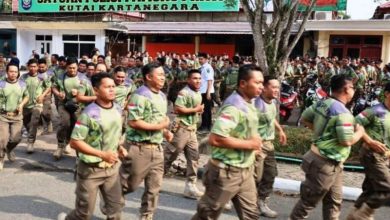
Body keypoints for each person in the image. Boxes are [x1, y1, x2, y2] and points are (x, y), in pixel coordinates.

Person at [192, 64, 264, 220]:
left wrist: (254, 146)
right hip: (226, 172)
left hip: (245, 170)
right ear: (243, 84)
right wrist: (250, 145)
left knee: (251, 215)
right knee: (207, 215)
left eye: (262, 83)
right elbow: (216, 138)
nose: (261, 87)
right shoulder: (234, 106)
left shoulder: (249, 103)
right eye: (257, 83)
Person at [289, 74, 366, 220]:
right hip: (324, 164)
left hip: (331, 163)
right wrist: (360, 132)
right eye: (353, 87)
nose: (354, 91)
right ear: (346, 89)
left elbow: (305, 118)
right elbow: (347, 141)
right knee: (308, 202)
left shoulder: (324, 103)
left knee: (334, 202)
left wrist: (321, 132)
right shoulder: (343, 113)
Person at [57, 73, 126, 220]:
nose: (112, 90)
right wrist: (102, 154)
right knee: (84, 214)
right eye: (107, 87)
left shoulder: (118, 109)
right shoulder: (89, 114)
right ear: (96, 90)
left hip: (112, 169)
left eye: (113, 86)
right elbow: (75, 142)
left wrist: (119, 147)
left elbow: (114, 133)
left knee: (115, 210)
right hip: (90, 170)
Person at [120, 62, 173, 220]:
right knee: (130, 185)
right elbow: (134, 122)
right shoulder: (140, 95)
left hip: (156, 148)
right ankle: (110, 199)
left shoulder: (162, 96)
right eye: (160, 75)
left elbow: (154, 120)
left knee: (154, 187)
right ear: (149, 77)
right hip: (138, 148)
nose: (164, 77)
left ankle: (146, 215)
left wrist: (164, 132)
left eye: (164, 75)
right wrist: (161, 126)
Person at [346, 83, 390, 220]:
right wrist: (369, 141)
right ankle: (363, 215)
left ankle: (354, 215)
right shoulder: (376, 110)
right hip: (371, 155)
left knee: (371, 189)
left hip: (384, 157)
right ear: (387, 94)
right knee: (387, 188)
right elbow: (355, 123)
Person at [164, 69, 204, 199]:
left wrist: (197, 112)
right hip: (181, 128)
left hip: (192, 130)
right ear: (188, 80)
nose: (198, 81)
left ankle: (190, 186)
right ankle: (155, 178)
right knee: (170, 155)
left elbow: (194, 110)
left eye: (199, 78)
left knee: (194, 158)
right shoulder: (184, 92)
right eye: (195, 78)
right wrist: (196, 110)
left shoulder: (197, 93)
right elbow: (177, 109)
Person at [254, 76, 287, 218]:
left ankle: (261, 202)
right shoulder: (256, 104)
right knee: (255, 177)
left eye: (278, 87)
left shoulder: (272, 103)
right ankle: (239, 199)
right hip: (258, 145)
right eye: (273, 87)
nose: (277, 90)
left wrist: (280, 130)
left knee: (271, 174)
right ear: (264, 88)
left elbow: (271, 118)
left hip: (269, 145)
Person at [52, 57, 86, 160]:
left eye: (74, 68)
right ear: (66, 67)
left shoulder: (83, 78)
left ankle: (75, 149)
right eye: (70, 68)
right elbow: (53, 87)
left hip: (77, 106)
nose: (72, 70)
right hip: (64, 103)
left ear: (77, 67)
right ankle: (60, 145)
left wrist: (79, 94)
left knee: (77, 126)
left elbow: (89, 92)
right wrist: (58, 93)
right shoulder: (60, 76)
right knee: (64, 122)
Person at [0, 64, 29, 169]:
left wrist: (21, 105)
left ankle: (9, 149)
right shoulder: (1, 84)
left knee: (16, 138)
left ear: (18, 73)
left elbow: (27, 96)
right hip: (3, 116)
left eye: (15, 72)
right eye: (11, 71)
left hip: (17, 116)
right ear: (7, 72)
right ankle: (1, 158)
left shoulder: (22, 84)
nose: (13, 74)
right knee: (2, 139)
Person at [20, 58, 52, 153]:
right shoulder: (23, 77)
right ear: (28, 67)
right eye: (31, 66)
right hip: (26, 104)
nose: (33, 68)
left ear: (37, 67)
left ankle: (30, 142)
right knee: (27, 123)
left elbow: (49, 86)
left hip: (37, 104)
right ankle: (31, 133)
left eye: (35, 66)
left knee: (34, 122)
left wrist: (42, 95)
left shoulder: (42, 77)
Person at [197, 52, 214, 133]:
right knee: (204, 110)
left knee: (206, 110)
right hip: (203, 91)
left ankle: (206, 127)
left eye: (201, 59)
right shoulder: (202, 67)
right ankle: (205, 125)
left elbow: (209, 80)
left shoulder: (207, 68)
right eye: (199, 59)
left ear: (206, 59)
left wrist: (208, 93)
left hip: (206, 91)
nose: (200, 60)